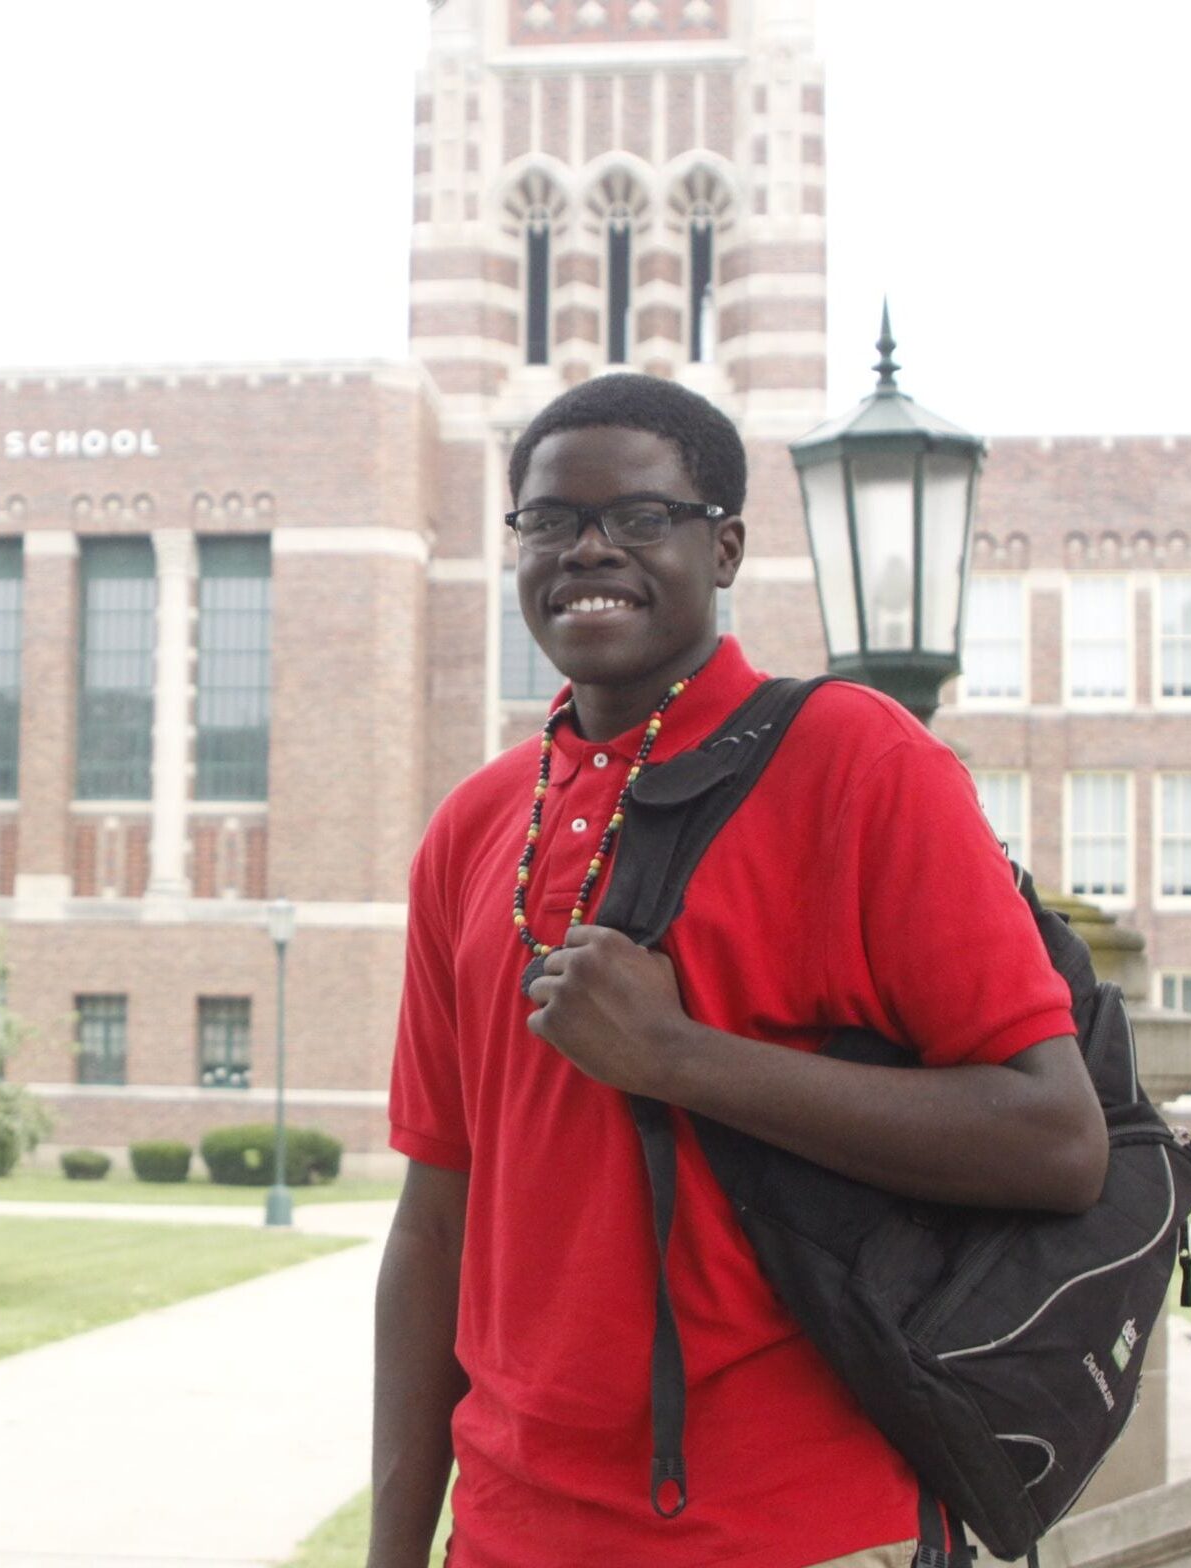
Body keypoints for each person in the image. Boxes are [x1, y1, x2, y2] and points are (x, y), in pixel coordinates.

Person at [372, 373, 1108, 1568]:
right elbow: (434, 1222)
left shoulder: (858, 760)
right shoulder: (474, 823)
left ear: (724, 548)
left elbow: (1052, 1135)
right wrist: (396, 1549)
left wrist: (678, 1057)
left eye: (641, 516)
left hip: (798, 1527)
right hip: (510, 1536)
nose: (590, 548)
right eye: (551, 520)